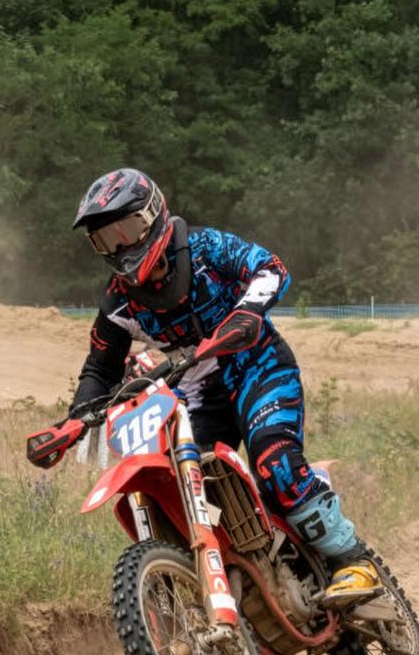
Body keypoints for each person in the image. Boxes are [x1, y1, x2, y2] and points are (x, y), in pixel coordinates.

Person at [23, 167, 379, 608]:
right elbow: (100, 368)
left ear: (153, 216)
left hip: (258, 367)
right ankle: (237, 576)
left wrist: (248, 312)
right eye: (105, 241)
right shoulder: (118, 302)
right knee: (190, 480)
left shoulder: (207, 248)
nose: (120, 248)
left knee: (274, 461)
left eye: (126, 230)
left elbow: (271, 268)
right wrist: (72, 423)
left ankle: (353, 561)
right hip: (198, 394)